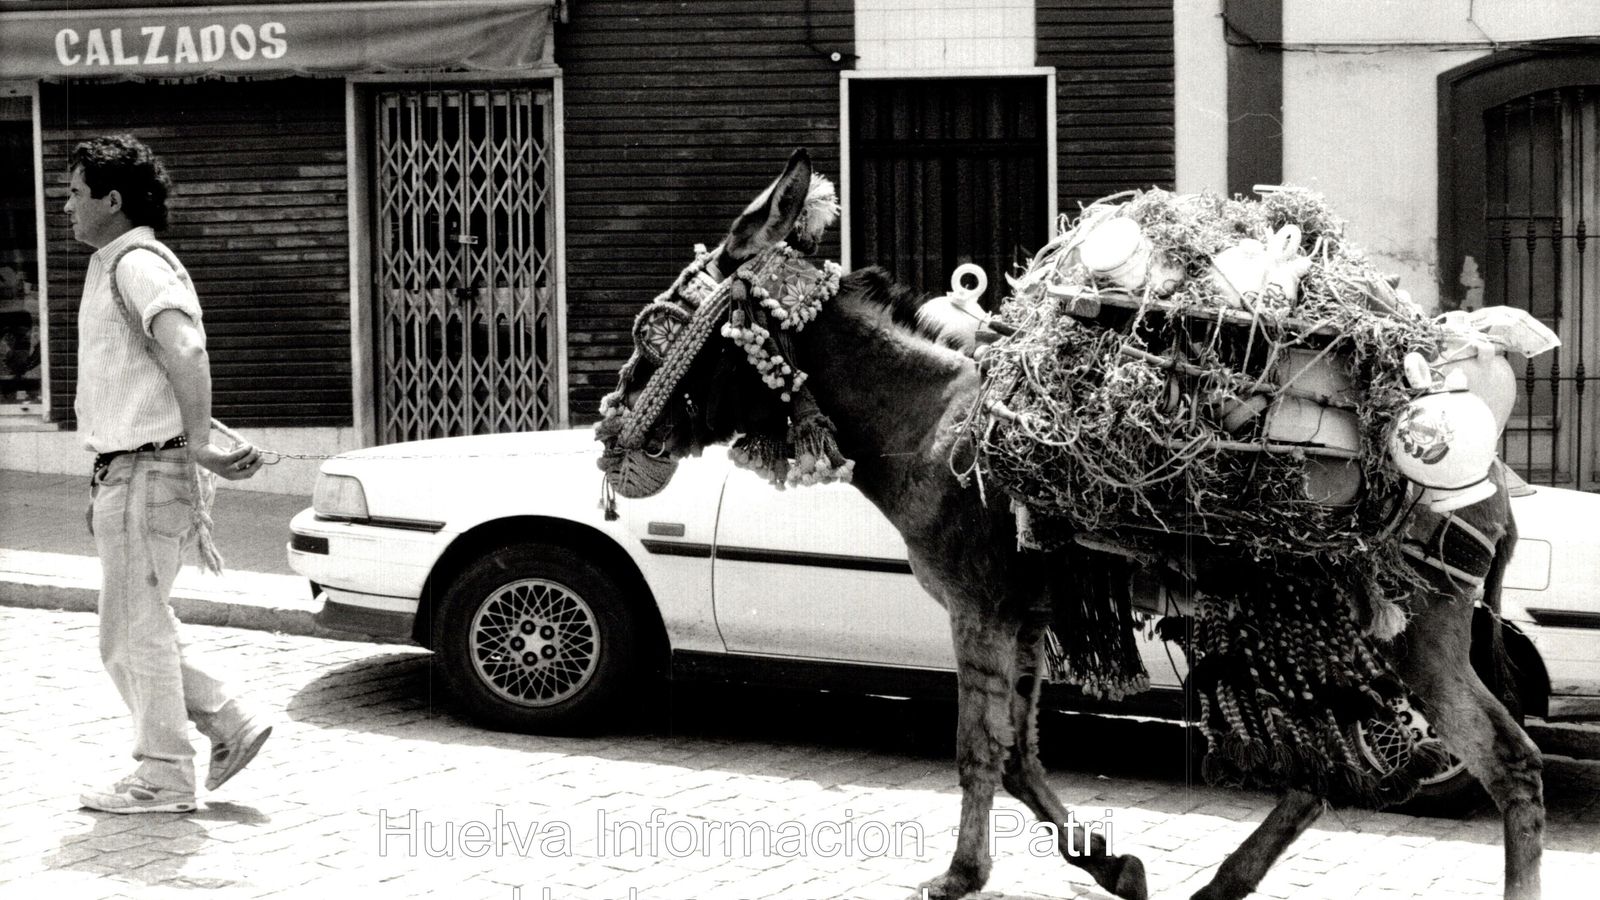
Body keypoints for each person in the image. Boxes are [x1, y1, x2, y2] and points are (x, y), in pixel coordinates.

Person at [67, 134, 271, 814]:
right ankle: (230, 721)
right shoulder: (115, 263)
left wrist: (198, 444)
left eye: (75, 193)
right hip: (132, 473)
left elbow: (186, 347)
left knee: (133, 634)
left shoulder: (136, 263)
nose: (66, 206)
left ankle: (163, 777)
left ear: (112, 200)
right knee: (136, 627)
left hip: (148, 472)